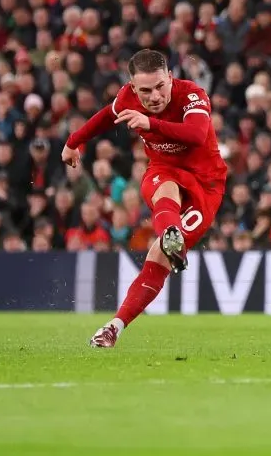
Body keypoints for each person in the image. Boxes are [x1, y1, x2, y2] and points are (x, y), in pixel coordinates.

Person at [62, 49, 228, 348]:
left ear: (170, 77)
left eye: (160, 86)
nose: (155, 96)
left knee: (158, 258)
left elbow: (196, 135)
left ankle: (170, 235)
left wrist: (150, 123)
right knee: (165, 191)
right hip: (163, 169)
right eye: (145, 90)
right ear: (132, 87)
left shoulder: (192, 94)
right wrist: (74, 142)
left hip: (207, 184)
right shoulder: (127, 98)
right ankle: (114, 326)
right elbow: (105, 117)